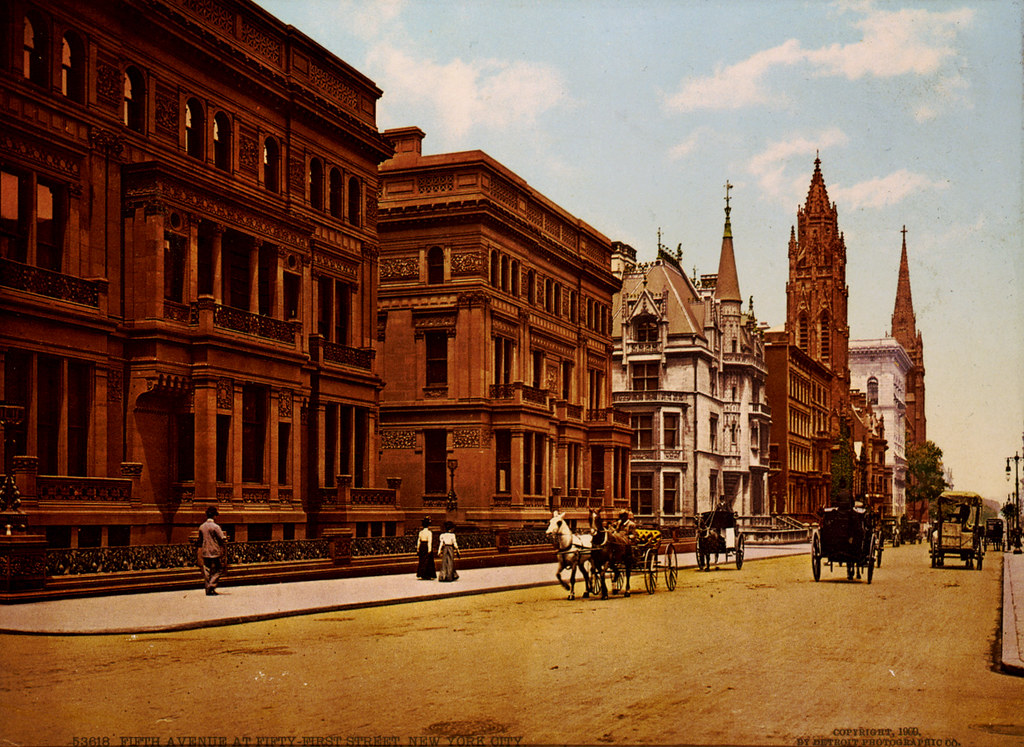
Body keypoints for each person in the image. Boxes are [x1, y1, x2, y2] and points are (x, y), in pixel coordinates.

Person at [197, 506, 227, 596]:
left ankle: (208, 588)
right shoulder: (216, 527)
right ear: (214, 516)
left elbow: (200, 540)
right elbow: (222, 538)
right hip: (214, 550)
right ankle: (211, 585)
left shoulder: (202, 527)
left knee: (207, 570)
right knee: (219, 569)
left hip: (205, 550)